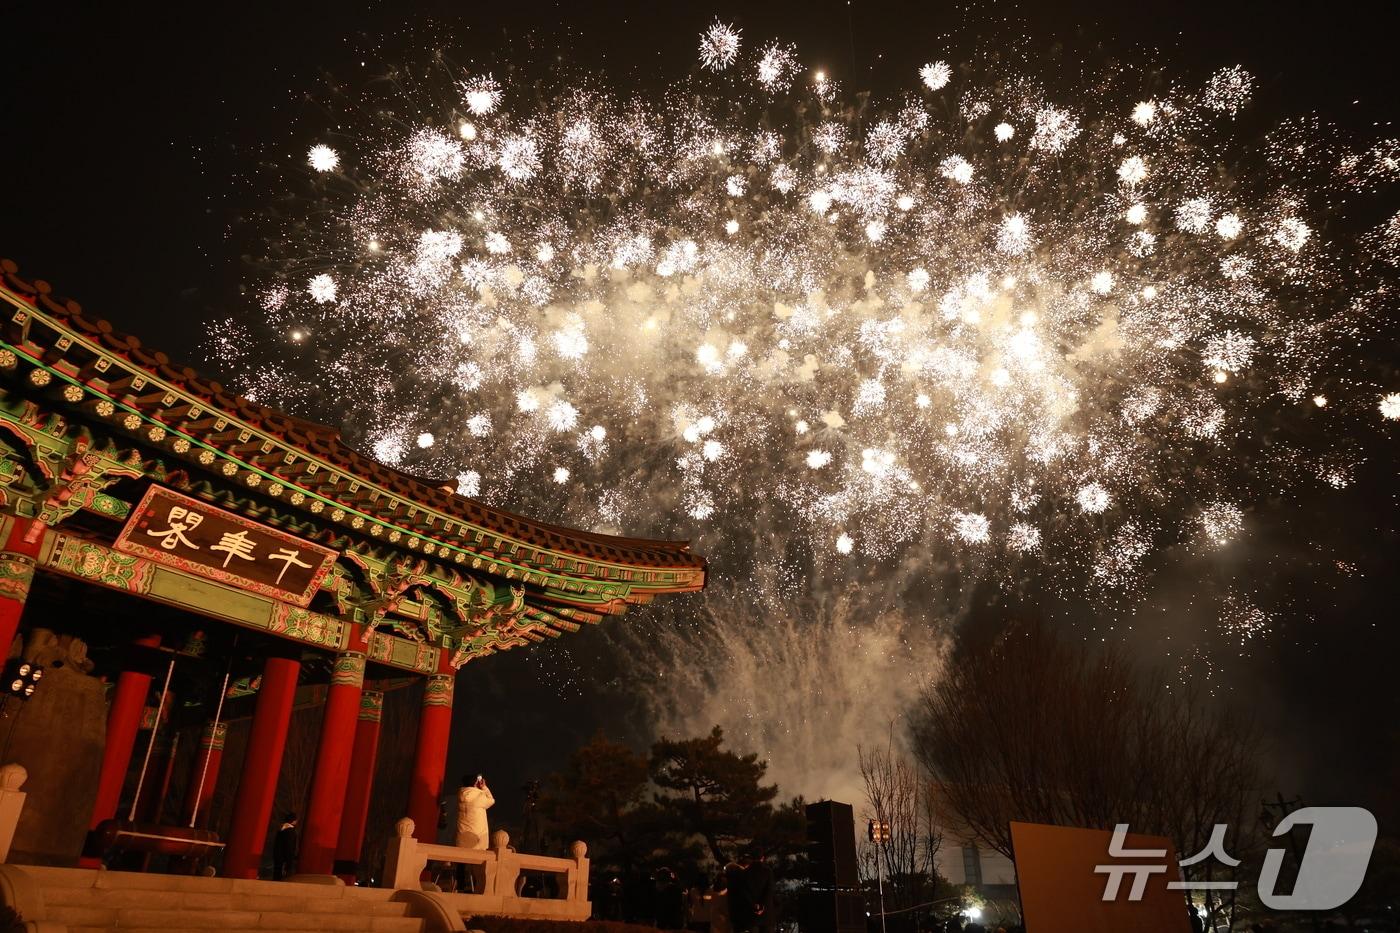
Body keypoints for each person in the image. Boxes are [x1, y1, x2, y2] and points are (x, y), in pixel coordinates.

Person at [455, 773, 494, 891]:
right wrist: (485, 788)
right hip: (477, 836)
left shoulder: (460, 794)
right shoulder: (479, 796)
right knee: (478, 864)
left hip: (462, 835)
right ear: (475, 783)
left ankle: (459, 886)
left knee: (460, 862)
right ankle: (478, 886)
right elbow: (491, 800)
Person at [272, 812, 298, 880]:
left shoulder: (281, 829)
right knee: (284, 877)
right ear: (293, 820)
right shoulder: (290, 831)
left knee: (276, 874)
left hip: (278, 855)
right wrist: (290, 859)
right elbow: (289, 846)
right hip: (285, 857)